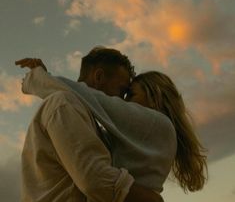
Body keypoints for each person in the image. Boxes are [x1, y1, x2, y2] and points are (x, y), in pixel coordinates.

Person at [16, 47, 164, 202]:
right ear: (99, 77)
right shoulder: (65, 103)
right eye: (121, 91)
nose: (122, 101)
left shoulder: (87, 120)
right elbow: (94, 179)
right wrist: (151, 199)